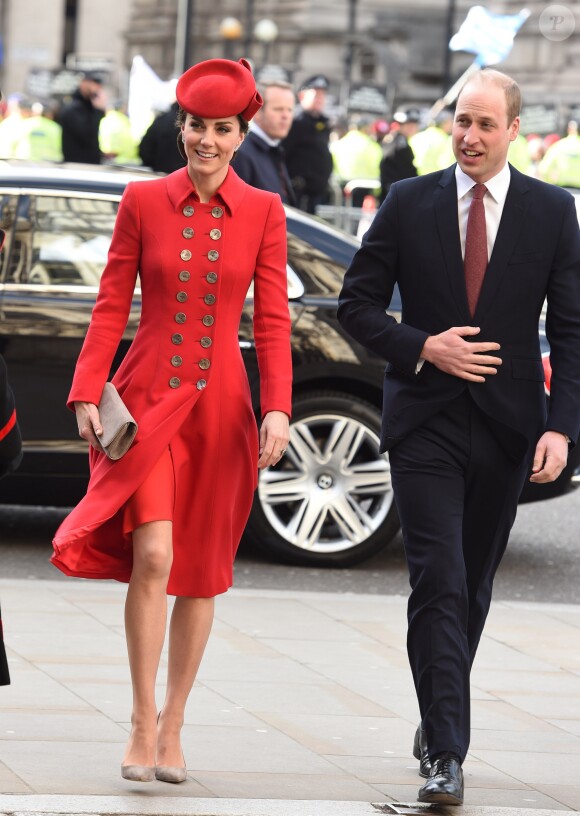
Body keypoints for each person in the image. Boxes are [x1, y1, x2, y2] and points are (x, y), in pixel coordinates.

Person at [337, 68, 580, 806]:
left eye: (484, 124)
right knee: (437, 580)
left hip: (509, 428)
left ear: (513, 131)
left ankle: (440, 707)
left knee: (472, 586)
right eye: (461, 122)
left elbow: (571, 333)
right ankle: (446, 753)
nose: (469, 136)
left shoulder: (551, 213)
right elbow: (356, 305)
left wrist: (564, 428)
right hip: (424, 423)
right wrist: (422, 345)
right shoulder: (411, 202)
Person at [50, 58, 292, 784]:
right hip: (149, 399)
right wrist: (87, 387)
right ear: (179, 127)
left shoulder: (263, 212)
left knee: (199, 573)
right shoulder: (142, 199)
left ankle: (175, 723)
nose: (207, 140)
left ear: (242, 135)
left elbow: (273, 321)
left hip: (222, 409)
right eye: (196, 126)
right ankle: (138, 716)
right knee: (154, 554)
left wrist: (277, 405)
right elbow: (109, 301)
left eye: (222, 129)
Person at [233, 81, 296, 204]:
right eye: (278, 109)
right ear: (257, 113)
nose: (285, 116)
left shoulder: (273, 148)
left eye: (290, 110)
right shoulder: (241, 153)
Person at [282, 74, 333, 213]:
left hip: (316, 192)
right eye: (316, 94)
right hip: (298, 192)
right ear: (302, 96)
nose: (320, 99)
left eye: (323, 95)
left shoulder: (323, 123)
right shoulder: (295, 122)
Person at [330, 115, 382, 207]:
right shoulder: (373, 146)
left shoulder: (340, 143)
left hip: (341, 185)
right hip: (366, 186)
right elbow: (378, 166)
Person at [58, 72, 107, 164]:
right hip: (77, 166)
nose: (97, 88)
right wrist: (98, 111)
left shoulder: (89, 107)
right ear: (83, 83)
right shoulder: (74, 108)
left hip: (89, 165)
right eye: (94, 83)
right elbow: (87, 136)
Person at [379, 107, 420, 203]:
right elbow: (406, 170)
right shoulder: (399, 144)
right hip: (397, 193)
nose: (413, 128)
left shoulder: (396, 141)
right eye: (409, 125)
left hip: (396, 192)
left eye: (414, 125)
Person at [139, 101, 186, 174]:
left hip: (159, 174)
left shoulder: (160, 121)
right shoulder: (191, 125)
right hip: (183, 176)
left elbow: (144, 150)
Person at [538, 119, 580, 188]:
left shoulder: (559, 145)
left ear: (569, 130)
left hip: (564, 190)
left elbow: (544, 169)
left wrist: (551, 185)